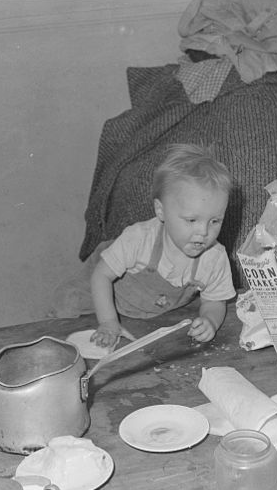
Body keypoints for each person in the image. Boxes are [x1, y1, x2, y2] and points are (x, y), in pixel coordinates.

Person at [52, 143, 236, 348]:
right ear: (161, 211)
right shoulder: (139, 239)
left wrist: (211, 321)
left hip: (150, 311)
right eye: (192, 220)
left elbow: (214, 301)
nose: (203, 232)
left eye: (215, 221)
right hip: (99, 288)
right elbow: (101, 276)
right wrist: (108, 323)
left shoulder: (215, 258)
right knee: (65, 323)